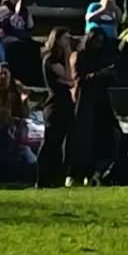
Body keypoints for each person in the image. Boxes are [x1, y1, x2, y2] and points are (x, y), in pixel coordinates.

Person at [68, 29, 120, 186]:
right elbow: (79, 79)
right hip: (84, 101)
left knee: (103, 136)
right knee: (84, 138)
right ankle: (77, 172)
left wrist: (109, 75)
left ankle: (96, 172)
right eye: (96, 41)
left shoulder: (101, 56)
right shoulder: (79, 56)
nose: (98, 45)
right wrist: (99, 74)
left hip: (101, 100)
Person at [0, 62, 37, 177]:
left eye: (5, 73)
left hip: (16, 130)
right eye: (1, 73)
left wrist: (24, 102)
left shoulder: (16, 92)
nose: (3, 76)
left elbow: (24, 115)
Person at [37, 29, 75, 189]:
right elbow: (69, 75)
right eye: (65, 39)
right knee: (50, 142)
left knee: (61, 142)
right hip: (54, 105)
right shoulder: (50, 59)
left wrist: (68, 81)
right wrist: (67, 54)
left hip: (66, 104)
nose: (68, 41)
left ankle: (56, 177)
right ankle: (42, 178)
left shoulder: (60, 59)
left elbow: (71, 80)